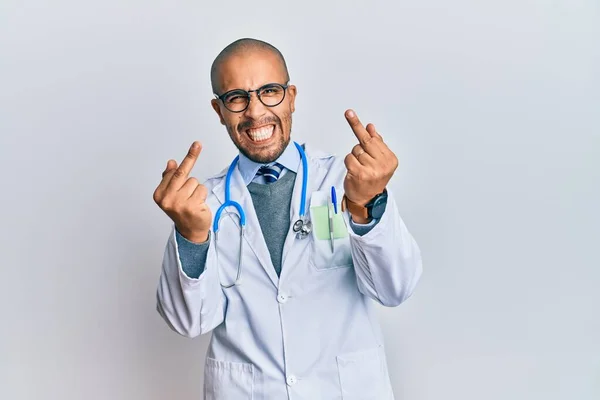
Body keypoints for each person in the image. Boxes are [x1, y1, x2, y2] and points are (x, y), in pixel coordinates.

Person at [153, 38, 423, 400]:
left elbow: (395, 289)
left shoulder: (343, 181)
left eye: (269, 91)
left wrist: (367, 204)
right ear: (219, 111)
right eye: (236, 97)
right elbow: (189, 322)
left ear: (291, 96)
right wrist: (191, 236)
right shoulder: (205, 204)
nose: (254, 111)